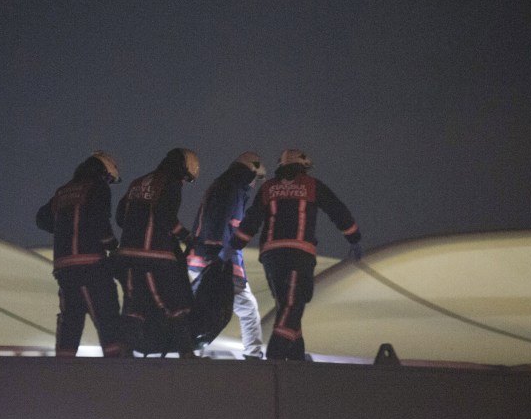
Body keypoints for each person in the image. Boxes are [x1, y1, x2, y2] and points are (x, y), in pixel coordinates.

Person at [230, 149, 363, 361]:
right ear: (303, 167)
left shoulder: (268, 188)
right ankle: (275, 356)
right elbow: (337, 210)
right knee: (292, 305)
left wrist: (236, 243)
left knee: (287, 305)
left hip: (271, 258)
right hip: (299, 255)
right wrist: (353, 237)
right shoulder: (311, 186)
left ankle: (296, 358)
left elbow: (252, 220)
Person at [35, 151, 128, 359]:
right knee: (107, 313)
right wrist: (113, 245)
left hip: (64, 267)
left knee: (71, 317)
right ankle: (117, 365)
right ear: (104, 172)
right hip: (91, 262)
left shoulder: (63, 191)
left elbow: (41, 219)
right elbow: (100, 220)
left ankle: (64, 365)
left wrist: (64, 227)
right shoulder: (97, 187)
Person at [114, 148, 200, 358]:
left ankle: (124, 353)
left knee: (135, 304)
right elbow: (166, 216)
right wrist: (187, 237)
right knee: (174, 302)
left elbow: (119, 217)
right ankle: (186, 353)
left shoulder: (137, 183)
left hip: (127, 256)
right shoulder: (170, 183)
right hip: (156, 256)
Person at [186, 151, 266, 359]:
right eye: (256, 178)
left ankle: (187, 348)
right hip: (218, 261)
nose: (255, 184)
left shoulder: (221, 185)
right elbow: (220, 223)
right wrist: (219, 257)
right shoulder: (232, 189)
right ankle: (253, 355)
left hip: (200, 259)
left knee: (203, 307)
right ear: (250, 172)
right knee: (248, 308)